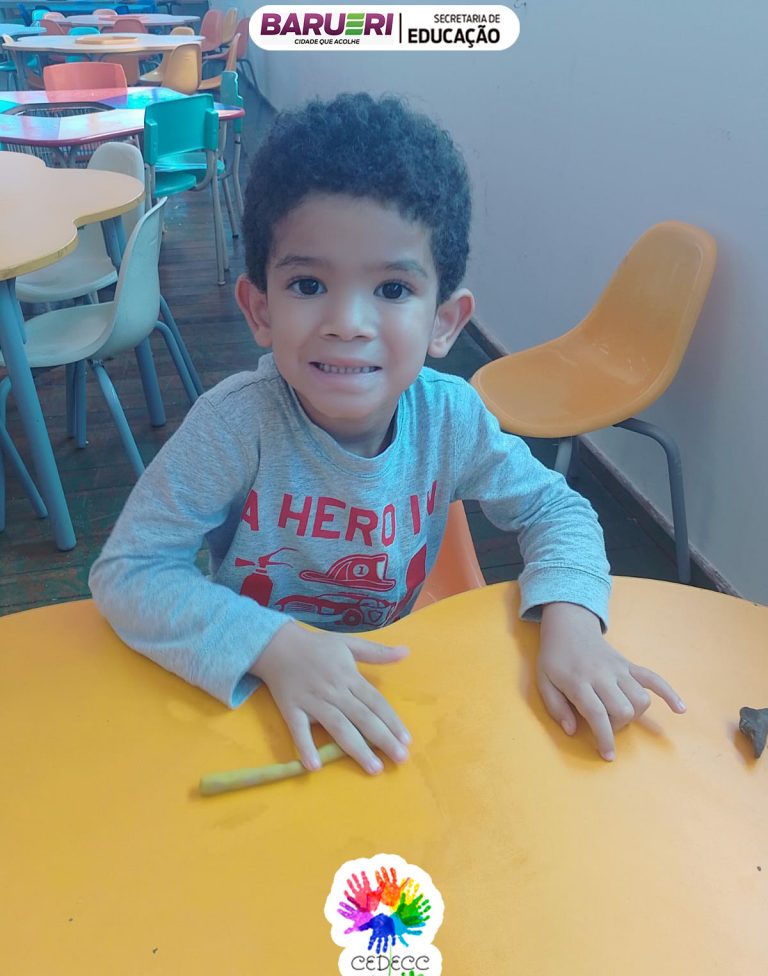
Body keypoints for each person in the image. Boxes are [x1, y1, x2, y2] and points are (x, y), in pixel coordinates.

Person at [89, 92, 686, 774]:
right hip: (258, 687)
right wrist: (272, 646)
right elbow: (128, 572)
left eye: (393, 290)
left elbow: (556, 508)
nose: (347, 323)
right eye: (307, 284)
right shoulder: (236, 425)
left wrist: (573, 620)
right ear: (259, 310)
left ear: (444, 322)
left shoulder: (450, 418)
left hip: (388, 681)